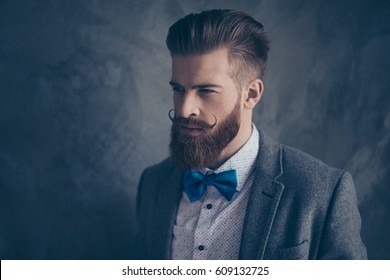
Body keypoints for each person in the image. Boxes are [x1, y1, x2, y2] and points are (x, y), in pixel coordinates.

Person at [135, 9, 367, 260]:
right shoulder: (153, 184)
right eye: (178, 89)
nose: (184, 109)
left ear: (251, 94)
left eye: (206, 91)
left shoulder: (322, 192)